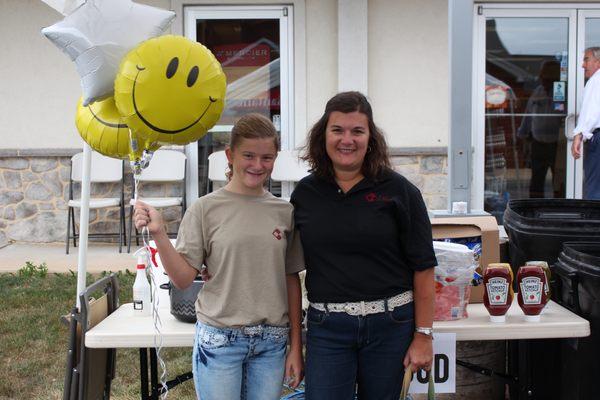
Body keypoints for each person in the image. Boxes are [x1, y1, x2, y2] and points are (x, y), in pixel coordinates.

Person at [134, 113, 304, 400]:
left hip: (272, 343)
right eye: (248, 155)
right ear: (230, 155)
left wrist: (295, 346)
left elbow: (290, 280)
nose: (258, 165)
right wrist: (160, 234)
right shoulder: (204, 209)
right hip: (220, 339)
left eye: (267, 158)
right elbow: (183, 278)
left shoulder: (284, 212)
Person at [291, 91, 437, 399]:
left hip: (392, 327)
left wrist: (423, 335)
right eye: (338, 130)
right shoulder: (304, 195)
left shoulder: (400, 192)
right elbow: (285, 262)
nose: (348, 139)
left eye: (358, 131)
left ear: (371, 138)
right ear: (323, 135)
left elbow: (423, 267)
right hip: (327, 328)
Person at [517, 60, 563, 198]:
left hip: (558, 144)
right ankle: (534, 209)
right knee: (536, 181)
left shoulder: (563, 92)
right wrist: (522, 135)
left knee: (559, 181)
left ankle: (561, 209)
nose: (543, 80)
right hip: (538, 143)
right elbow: (528, 115)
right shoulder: (538, 92)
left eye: (547, 77)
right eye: (543, 77)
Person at [571, 47, 600, 199]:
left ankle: (594, 222)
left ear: (598, 62)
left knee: (595, 189)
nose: (583, 65)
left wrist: (578, 135)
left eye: (586, 59)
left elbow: (591, 112)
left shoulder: (596, 80)